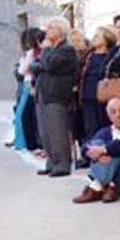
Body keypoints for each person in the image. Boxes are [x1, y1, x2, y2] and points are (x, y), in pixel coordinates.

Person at [72, 98, 120, 204]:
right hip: (115, 181)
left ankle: (96, 187)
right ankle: (109, 187)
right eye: (113, 112)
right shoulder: (104, 131)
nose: (118, 115)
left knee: (116, 152)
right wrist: (99, 155)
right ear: (109, 116)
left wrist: (106, 150)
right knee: (97, 146)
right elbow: (86, 147)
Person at [33, 17, 80, 177]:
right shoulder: (53, 50)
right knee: (45, 132)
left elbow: (50, 65)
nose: (47, 31)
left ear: (61, 30)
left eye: (51, 27)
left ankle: (61, 164)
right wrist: (42, 62)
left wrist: (45, 52)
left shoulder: (66, 49)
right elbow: (36, 66)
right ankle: (51, 162)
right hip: (43, 94)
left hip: (56, 95)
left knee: (57, 131)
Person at [78, 27, 116, 149]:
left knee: (103, 127)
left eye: (98, 35)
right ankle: (91, 155)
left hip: (103, 97)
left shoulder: (110, 56)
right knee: (89, 128)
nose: (94, 37)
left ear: (107, 39)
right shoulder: (88, 56)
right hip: (86, 96)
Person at [13, 28, 44, 151]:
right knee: (28, 114)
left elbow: (21, 70)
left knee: (24, 114)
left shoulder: (32, 53)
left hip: (29, 84)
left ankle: (26, 143)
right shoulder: (35, 53)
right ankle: (26, 142)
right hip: (30, 84)